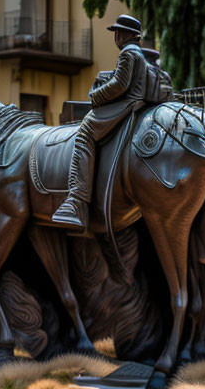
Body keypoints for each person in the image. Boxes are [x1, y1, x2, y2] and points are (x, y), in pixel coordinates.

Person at [51, 14, 153, 230]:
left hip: (127, 104)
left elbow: (120, 85)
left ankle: (77, 198)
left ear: (126, 35)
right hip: (136, 102)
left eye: (118, 32)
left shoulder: (128, 53)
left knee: (86, 130)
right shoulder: (138, 54)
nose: (116, 36)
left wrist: (96, 95)